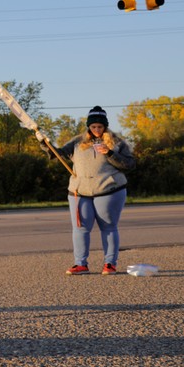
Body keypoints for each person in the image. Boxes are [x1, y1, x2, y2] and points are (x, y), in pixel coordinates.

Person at [36, 106, 136, 276]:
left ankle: (110, 264)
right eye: (93, 126)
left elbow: (130, 165)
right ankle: (80, 264)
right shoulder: (77, 141)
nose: (96, 130)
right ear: (88, 127)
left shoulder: (117, 143)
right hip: (79, 192)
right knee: (80, 228)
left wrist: (110, 153)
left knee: (109, 227)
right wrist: (44, 143)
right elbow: (57, 154)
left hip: (109, 191)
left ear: (105, 126)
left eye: (100, 126)